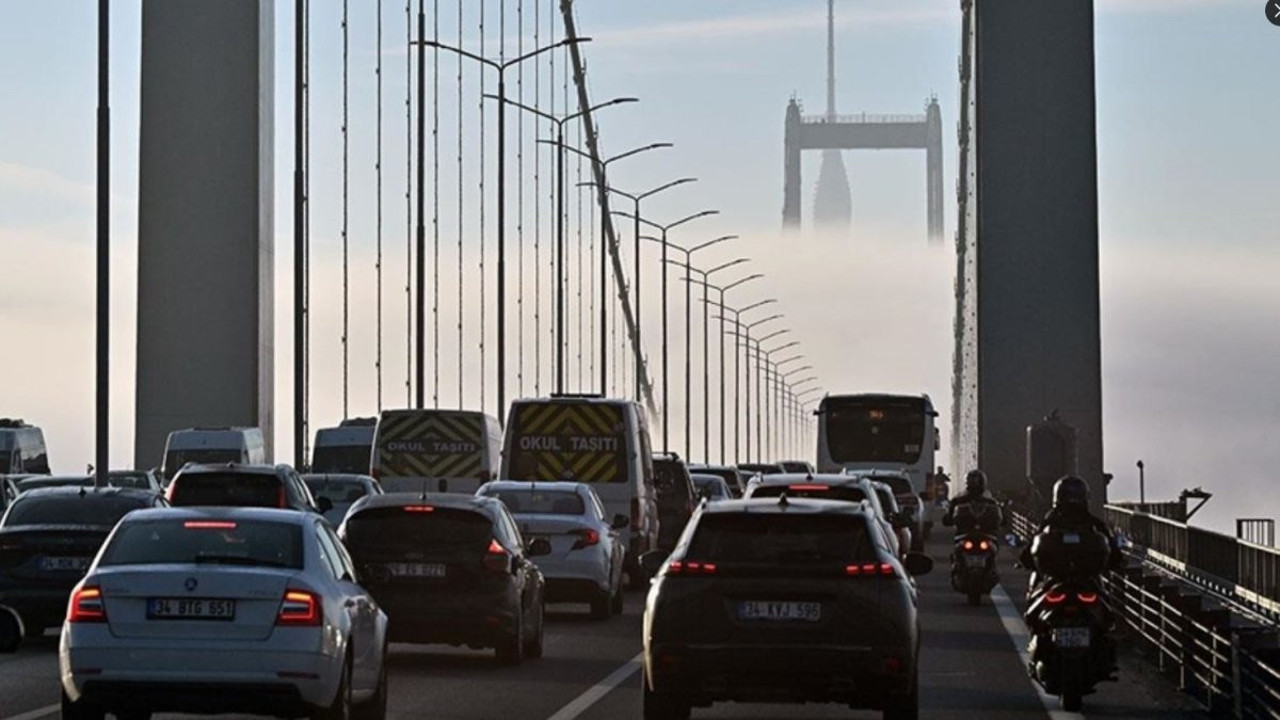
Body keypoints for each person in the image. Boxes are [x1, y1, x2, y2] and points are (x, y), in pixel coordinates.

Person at [942, 469, 1004, 535]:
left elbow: (998, 516)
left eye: (974, 481)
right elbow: (950, 516)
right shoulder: (959, 500)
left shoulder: (990, 501)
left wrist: (1000, 520)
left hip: (985, 531)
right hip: (966, 531)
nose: (973, 483)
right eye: (971, 480)